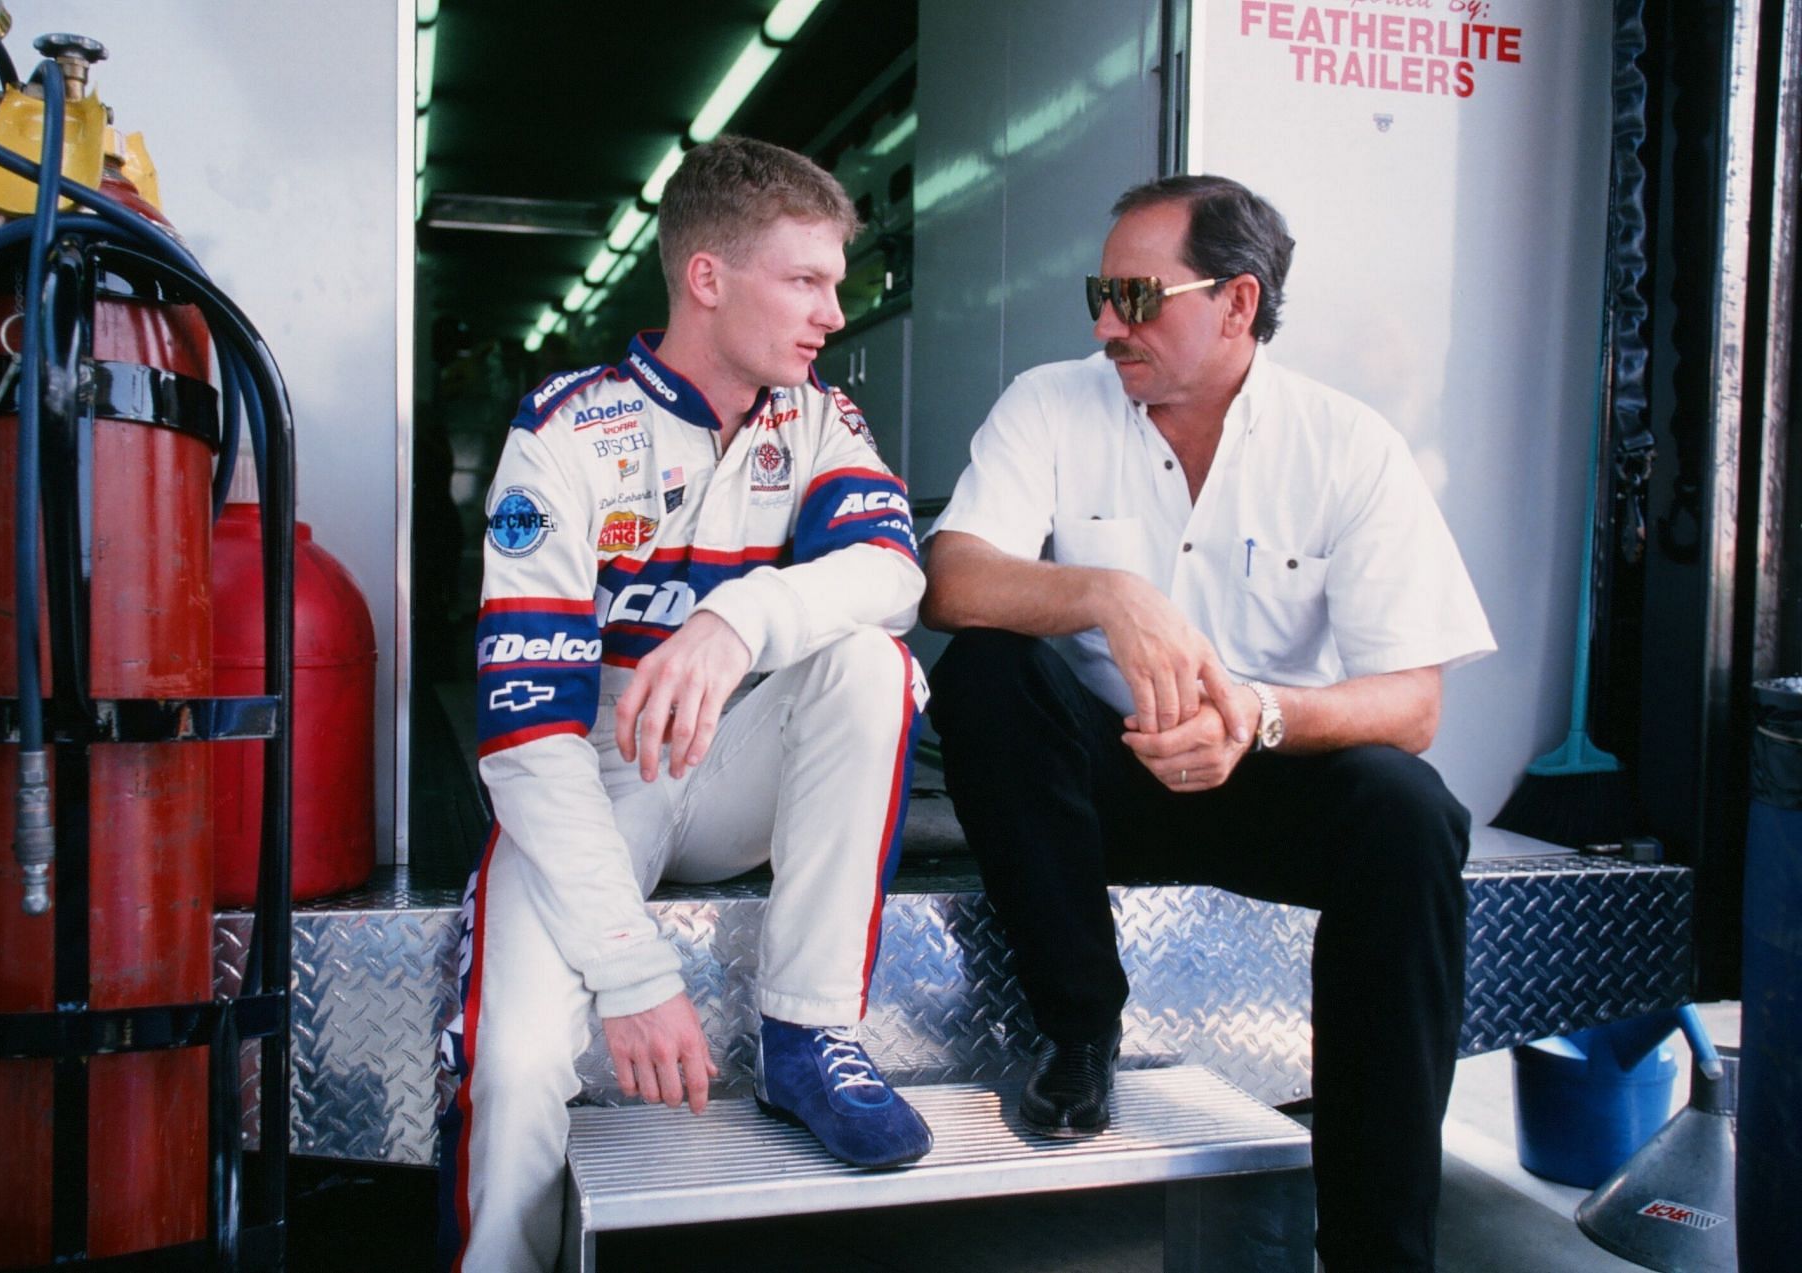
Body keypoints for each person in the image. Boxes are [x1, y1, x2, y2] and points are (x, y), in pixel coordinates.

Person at [921, 174, 1495, 1271]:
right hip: (1088, 786)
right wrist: (1107, 594)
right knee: (989, 670)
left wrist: (1258, 716)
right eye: (1100, 292)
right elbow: (951, 579)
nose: (1104, 323)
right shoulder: (1051, 402)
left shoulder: (1347, 446)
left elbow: (1411, 702)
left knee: (1412, 818)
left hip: (1259, 774)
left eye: (1135, 296)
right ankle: (1082, 1026)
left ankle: (1380, 1248)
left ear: (1237, 303)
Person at [438, 136, 933, 1273]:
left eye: (835, 284)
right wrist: (636, 971)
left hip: (736, 764)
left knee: (873, 663)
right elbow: (524, 738)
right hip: (590, 779)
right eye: (805, 281)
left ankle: (810, 1031)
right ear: (707, 278)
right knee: (512, 1070)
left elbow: (894, 575)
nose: (832, 313)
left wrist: (737, 618)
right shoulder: (566, 433)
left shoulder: (816, 417)